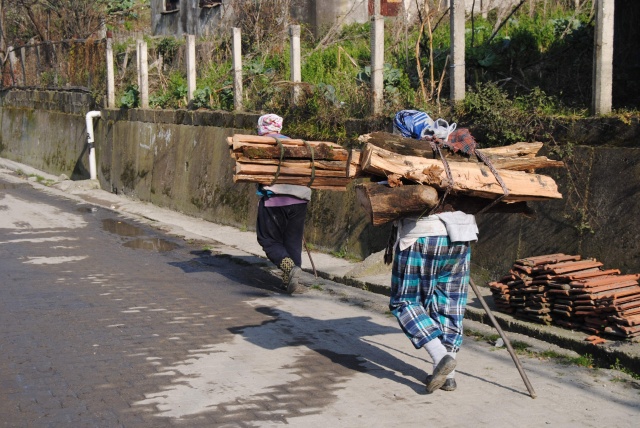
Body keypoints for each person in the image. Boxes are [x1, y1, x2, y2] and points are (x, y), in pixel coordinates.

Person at [389, 109, 479, 394]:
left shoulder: (407, 154)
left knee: (405, 301)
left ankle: (441, 357)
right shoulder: (460, 150)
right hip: (462, 237)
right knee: (449, 303)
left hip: (423, 235)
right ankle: (449, 374)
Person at [254, 114, 311, 294]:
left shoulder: (259, 144)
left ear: (261, 128)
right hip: (300, 199)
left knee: (268, 239)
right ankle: (291, 283)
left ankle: (289, 268)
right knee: (292, 242)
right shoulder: (296, 144)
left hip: (275, 200)